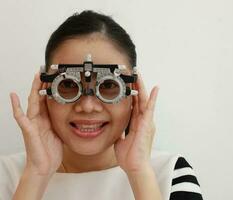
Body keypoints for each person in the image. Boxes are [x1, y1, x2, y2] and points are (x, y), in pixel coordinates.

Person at [0, 10, 203, 200]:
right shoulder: (7, 177)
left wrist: (139, 172)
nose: (88, 106)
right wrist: (36, 173)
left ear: (134, 93)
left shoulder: (169, 174)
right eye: (68, 84)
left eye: (108, 85)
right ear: (44, 91)